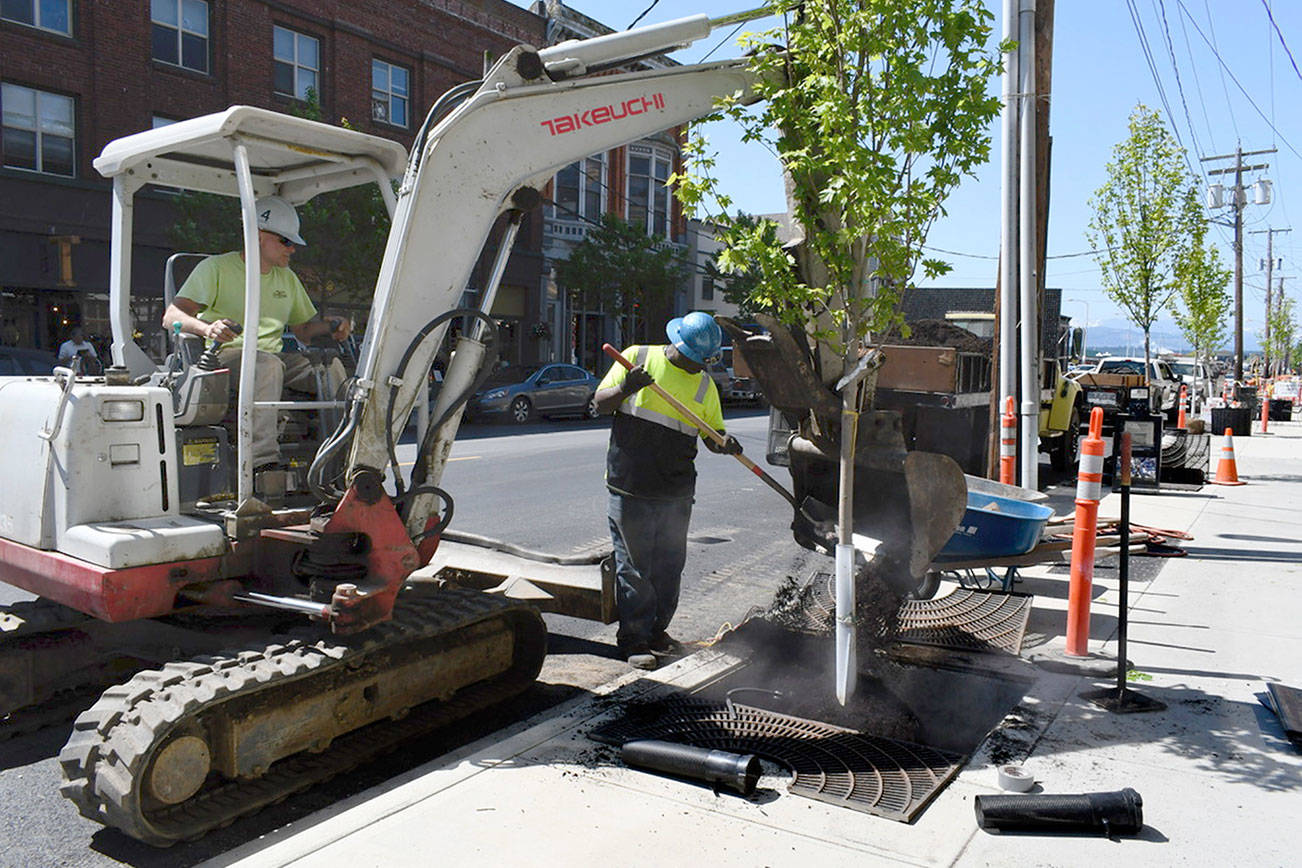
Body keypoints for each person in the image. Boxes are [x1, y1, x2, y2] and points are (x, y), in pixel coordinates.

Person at [592, 311, 742, 670]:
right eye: (695, 361)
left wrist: (724, 443)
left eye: (704, 362)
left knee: (669, 566)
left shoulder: (705, 385)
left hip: (675, 489)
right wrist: (628, 386)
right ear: (678, 347)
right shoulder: (638, 358)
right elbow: (599, 404)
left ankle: (658, 631)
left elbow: (711, 436)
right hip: (630, 485)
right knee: (634, 567)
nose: (699, 368)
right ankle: (634, 639)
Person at [161, 195, 351, 469]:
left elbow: (304, 331)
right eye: (286, 241)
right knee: (267, 365)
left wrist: (333, 325)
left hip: (273, 359)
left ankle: (342, 454)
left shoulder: (287, 278)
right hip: (225, 358)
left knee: (330, 366)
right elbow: (172, 315)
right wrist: (209, 328)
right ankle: (262, 462)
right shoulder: (216, 268)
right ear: (259, 235)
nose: (293, 249)